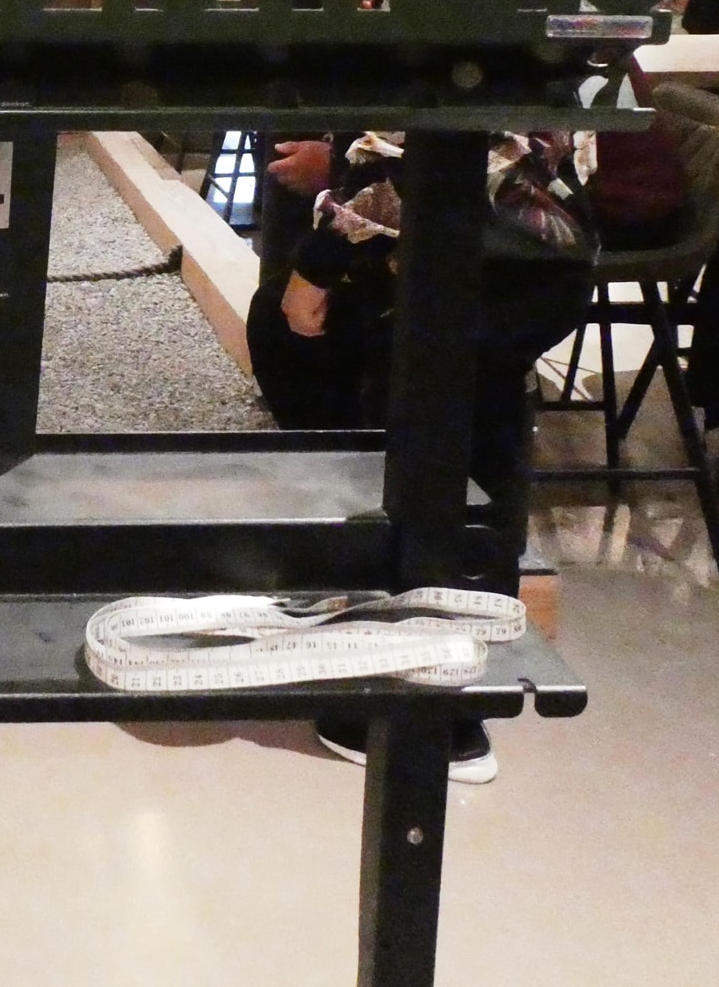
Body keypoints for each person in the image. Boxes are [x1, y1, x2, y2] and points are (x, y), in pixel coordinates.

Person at [245, 130, 594, 784]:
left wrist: (321, 258)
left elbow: (422, 145)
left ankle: (414, 708)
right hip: (529, 256)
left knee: (414, 435)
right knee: (472, 434)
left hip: (463, 255)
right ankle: (443, 691)